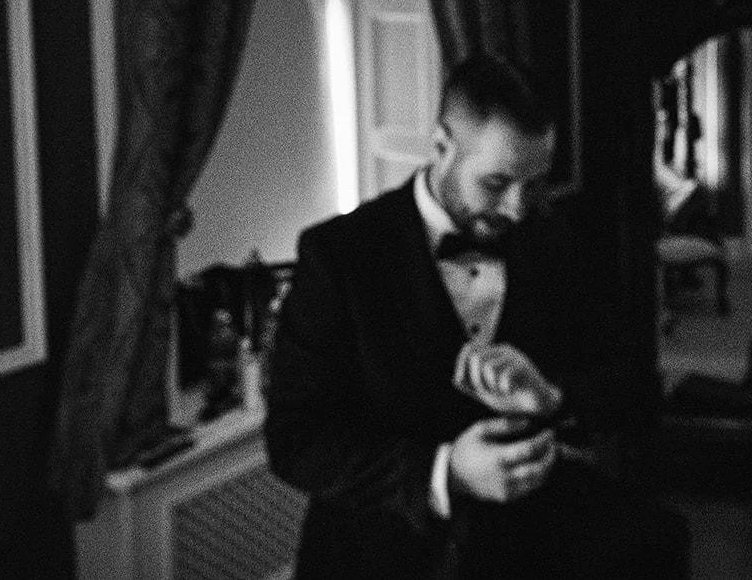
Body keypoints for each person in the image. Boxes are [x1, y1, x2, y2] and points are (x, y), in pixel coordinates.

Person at [266, 54, 687, 578]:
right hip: (376, 554)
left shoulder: (554, 242)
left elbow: (634, 384)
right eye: (496, 184)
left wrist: (554, 396)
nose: (517, 208)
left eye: (534, 185)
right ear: (442, 147)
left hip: (524, 552)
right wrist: (445, 474)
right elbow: (294, 438)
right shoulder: (340, 255)